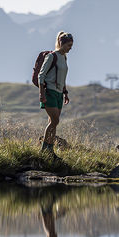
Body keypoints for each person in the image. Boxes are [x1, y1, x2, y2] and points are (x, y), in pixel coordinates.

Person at [38, 31, 73, 160]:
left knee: (53, 122)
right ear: (61, 43)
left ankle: (50, 151)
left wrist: (65, 92)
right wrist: (42, 94)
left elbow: (63, 77)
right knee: (55, 121)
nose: (70, 48)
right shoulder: (52, 56)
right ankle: (44, 150)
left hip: (59, 94)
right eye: (69, 45)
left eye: (71, 46)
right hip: (50, 92)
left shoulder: (64, 58)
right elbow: (41, 75)